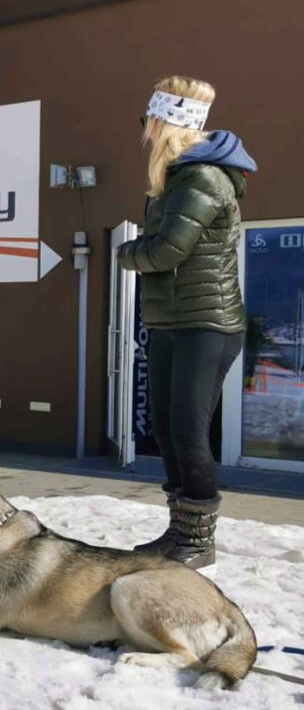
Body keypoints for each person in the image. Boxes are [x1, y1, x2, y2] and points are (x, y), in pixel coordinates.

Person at [117, 75, 257, 569]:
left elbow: (169, 250)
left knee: (188, 430)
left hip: (207, 323)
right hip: (171, 321)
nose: (145, 131)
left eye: (149, 121)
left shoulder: (203, 178)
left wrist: (125, 252)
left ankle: (199, 541)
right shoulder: (177, 178)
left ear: (167, 123)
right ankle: (179, 532)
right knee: (166, 427)